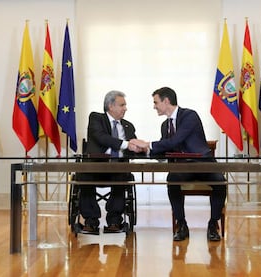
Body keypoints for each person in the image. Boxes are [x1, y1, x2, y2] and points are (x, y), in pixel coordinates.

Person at [131, 87, 226, 241]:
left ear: (166, 101)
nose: (154, 106)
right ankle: (181, 224)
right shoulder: (165, 125)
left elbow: (176, 141)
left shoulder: (189, 115)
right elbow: (166, 148)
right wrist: (144, 151)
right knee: (173, 180)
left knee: (220, 182)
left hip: (203, 163)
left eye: (156, 102)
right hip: (182, 167)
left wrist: (148, 144)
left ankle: (213, 224)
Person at [76, 90, 141, 234]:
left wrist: (139, 147)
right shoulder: (96, 118)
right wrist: (125, 145)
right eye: (122, 105)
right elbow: (101, 137)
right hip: (96, 167)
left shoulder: (128, 125)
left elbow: (133, 145)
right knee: (84, 175)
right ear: (111, 106)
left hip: (117, 169)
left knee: (122, 172)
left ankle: (114, 221)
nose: (125, 108)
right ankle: (90, 221)